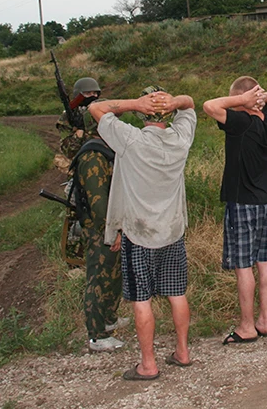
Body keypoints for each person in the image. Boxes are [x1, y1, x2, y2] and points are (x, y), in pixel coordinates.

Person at [88, 86, 197, 381]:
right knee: (177, 294)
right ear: (171, 113)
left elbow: (96, 108)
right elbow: (189, 105)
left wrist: (135, 102)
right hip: (173, 232)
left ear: (141, 114)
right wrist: (175, 99)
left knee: (141, 300)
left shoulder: (129, 139)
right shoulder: (180, 138)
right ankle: (183, 352)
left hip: (139, 235)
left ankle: (148, 365)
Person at [203, 78, 267, 343]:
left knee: (243, 266)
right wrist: (260, 98)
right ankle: (265, 320)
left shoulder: (239, 123)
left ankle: (247, 326)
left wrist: (242, 101)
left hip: (242, 202)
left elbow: (209, 106)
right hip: (265, 200)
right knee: (264, 261)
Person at [55, 77, 126, 353]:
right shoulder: (93, 155)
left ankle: (108, 319)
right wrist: (113, 229)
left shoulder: (103, 148)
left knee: (113, 273)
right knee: (98, 275)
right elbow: (99, 202)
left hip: (110, 225)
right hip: (101, 227)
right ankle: (96, 333)